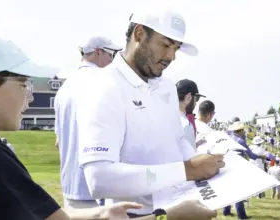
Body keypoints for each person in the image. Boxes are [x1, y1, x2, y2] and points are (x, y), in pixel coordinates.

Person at [0, 33, 219, 220]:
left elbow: (47, 215)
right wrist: (168, 215)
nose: (29, 97)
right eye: (23, 85)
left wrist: (101, 214)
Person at [70, 8, 224, 217]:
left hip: (180, 206)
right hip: (138, 215)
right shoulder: (103, 86)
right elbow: (98, 178)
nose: (171, 56)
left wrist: (205, 165)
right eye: (165, 44)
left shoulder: (167, 87)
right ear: (140, 33)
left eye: (176, 48)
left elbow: (175, 141)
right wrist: (188, 169)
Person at [55, 36, 122, 208]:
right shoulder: (105, 81)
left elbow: (58, 142)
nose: (113, 60)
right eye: (111, 54)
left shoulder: (63, 89)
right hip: (97, 187)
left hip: (70, 185)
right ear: (98, 52)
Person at [223, 121, 264, 219]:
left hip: (227, 166)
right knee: (239, 191)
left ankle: (226, 211)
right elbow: (250, 155)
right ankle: (241, 215)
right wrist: (261, 157)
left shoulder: (228, 139)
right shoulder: (240, 141)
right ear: (240, 130)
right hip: (237, 166)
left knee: (229, 190)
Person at [176, 79, 205, 150]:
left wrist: (194, 145)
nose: (196, 103)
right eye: (197, 98)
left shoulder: (166, 119)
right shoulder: (186, 124)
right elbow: (190, 160)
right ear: (188, 97)